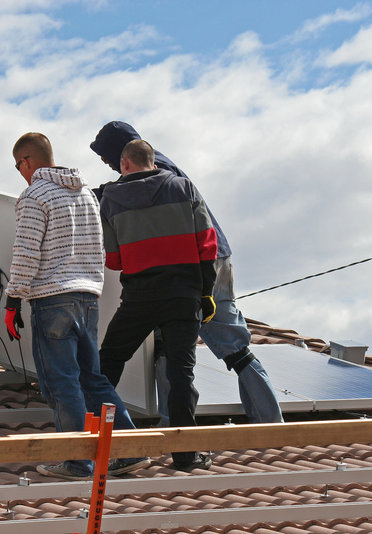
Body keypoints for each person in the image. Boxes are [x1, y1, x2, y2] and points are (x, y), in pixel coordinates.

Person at [90, 121, 284, 425]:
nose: (106, 164)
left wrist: (95, 196)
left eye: (106, 158)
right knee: (177, 348)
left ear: (122, 156)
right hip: (202, 262)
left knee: (229, 346)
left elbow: (141, 201)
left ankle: (268, 422)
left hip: (203, 264)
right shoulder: (160, 168)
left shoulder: (159, 173)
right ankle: (179, 425)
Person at [4, 132, 149, 480]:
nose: (19, 172)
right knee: (92, 378)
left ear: (26, 161)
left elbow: (26, 251)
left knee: (61, 381)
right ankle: (128, 451)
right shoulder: (85, 193)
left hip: (53, 298)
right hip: (88, 296)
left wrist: (13, 301)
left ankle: (76, 460)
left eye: (17, 165)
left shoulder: (34, 195)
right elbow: (98, 245)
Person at [96, 139, 217, 471]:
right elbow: (208, 246)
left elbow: (115, 260)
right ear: (153, 161)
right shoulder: (183, 187)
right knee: (181, 375)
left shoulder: (111, 198)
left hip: (140, 297)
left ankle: (99, 437)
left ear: (125, 164)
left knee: (107, 363)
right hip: (183, 295)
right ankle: (186, 456)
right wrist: (205, 293)